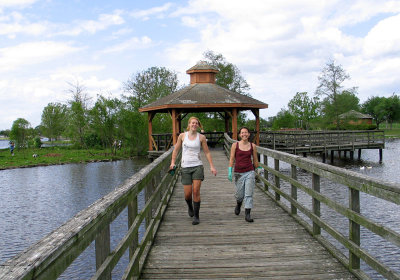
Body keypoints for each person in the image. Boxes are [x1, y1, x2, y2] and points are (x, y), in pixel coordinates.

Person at [170, 116, 217, 225]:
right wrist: (172, 162)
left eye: (196, 123)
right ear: (189, 124)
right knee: (187, 194)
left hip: (197, 166)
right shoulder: (182, 136)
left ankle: (196, 216)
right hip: (185, 167)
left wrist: (212, 166)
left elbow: (207, 152)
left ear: (198, 125)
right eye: (192, 123)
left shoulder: (201, 137)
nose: (194, 125)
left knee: (196, 191)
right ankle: (190, 206)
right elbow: (176, 150)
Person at [228, 127, 261, 222]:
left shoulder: (253, 146)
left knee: (249, 194)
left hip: (249, 171)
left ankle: (247, 214)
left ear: (249, 134)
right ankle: (238, 204)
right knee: (239, 195)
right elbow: (231, 158)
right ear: (239, 135)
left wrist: (258, 168)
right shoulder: (235, 145)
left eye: (246, 132)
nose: (244, 134)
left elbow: (255, 159)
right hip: (238, 172)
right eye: (242, 133)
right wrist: (230, 170)